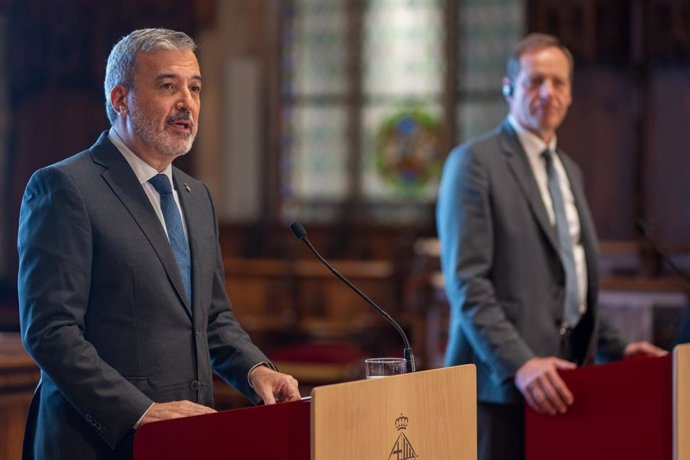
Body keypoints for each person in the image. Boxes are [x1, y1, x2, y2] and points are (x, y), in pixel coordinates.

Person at [17, 28, 301, 460]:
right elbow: (51, 333)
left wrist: (255, 369)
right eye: (168, 86)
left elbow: (213, 318)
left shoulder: (197, 197)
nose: (187, 102)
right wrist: (140, 411)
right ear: (120, 100)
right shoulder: (65, 187)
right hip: (96, 444)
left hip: (186, 439)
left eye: (195, 88)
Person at [436, 33, 665, 460]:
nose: (548, 93)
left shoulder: (569, 171)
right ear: (509, 88)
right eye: (535, 81)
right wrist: (520, 363)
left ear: (571, 93)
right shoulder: (474, 164)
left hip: (567, 380)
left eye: (559, 83)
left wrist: (617, 345)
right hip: (499, 388)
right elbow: (468, 285)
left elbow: (568, 282)